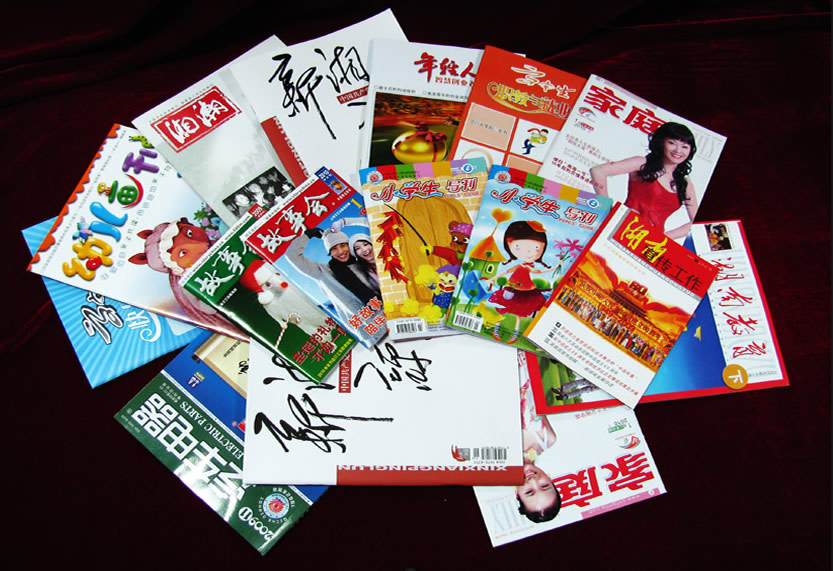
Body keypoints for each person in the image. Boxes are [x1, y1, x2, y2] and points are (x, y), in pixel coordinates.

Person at [589, 121, 698, 240]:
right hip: (621, 228)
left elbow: (697, 222)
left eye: (684, 146)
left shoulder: (685, 183)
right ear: (661, 142)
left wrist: (664, 237)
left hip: (649, 242)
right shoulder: (643, 163)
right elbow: (598, 171)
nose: (678, 150)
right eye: (672, 143)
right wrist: (607, 209)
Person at [287, 226, 383, 345]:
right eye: (334, 248)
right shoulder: (322, 273)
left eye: (343, 245)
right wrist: (307, 235)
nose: (340, 251)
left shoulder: (363, 264)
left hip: (386, 315)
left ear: (349, 246)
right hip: (369, 332)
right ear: (330, 252)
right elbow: (292, 255)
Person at [485, 220, 562, 344]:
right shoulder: (518, 266)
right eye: (518, 247)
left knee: (519, 313)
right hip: (511, 289)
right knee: (502, 308)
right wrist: (492, 279)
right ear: (509, 243)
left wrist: (556, 266)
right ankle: (496, 329)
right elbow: (506, 272)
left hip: (526, 292)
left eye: (536, 248)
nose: (528, 252)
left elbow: (540, 272)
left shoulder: (528, 268)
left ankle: (515, 334)